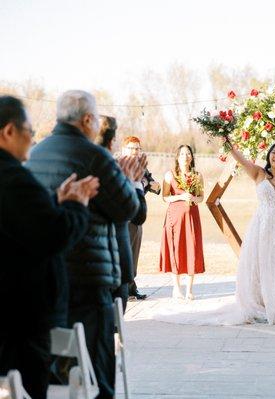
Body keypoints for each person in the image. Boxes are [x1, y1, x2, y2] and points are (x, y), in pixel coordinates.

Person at [26, 90, 142, 399]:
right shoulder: (94, 156)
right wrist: (129, 182)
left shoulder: (36, 154)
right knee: (99, 369)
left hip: (48, 277)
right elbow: (128, 210)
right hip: (89, 278)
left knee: (61, 370)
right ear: (87, 119)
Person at [152, 141, 275, 326]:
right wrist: (228, 144)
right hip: (263, 227)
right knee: (263, 265)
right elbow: (242, 160)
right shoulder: (259, 173)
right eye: (273, 153)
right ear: (269, 155)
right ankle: (265, 304)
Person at [0, 96, 98, 399]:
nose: (33, 137)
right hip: (22, 316)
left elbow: (19, 224)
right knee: (28, 389)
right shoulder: (13, 177)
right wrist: (77, 206)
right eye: (28, 129)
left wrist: (54, 202)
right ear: (8, 132)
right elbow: (54, 235)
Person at [96, 117, 148, 312]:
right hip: (114, 243)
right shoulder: (113, 168)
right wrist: (134, 183)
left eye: (137, 148)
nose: (135, 152)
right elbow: (137, 213)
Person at [160, 144, 205, 300]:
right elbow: (165, 197)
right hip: (175, 218)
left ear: (191, 157)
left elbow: (201, 197)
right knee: (176, 249)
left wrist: (193, 198)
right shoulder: (169, 175)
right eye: (182, 154)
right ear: (177, 157)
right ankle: (176, 288)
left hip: (192, 217)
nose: (185, 156)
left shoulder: (197, 175)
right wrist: (180, 197)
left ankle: (189, 289)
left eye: (188, 153)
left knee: (192, 248)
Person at [122, 135, 160, 301]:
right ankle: (125, 289)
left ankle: (131, 287)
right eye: (132, 148)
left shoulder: (142, 169)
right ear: (124, 150)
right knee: (125, 253)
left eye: (138, 148)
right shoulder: (120, 167)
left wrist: (148, 183)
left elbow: (156, 187)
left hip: (139, 215)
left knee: (135, 253)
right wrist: (144, 184)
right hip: (124, 216)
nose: (136, 151)